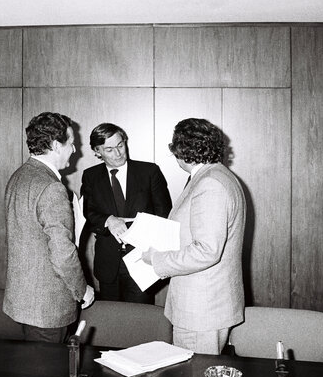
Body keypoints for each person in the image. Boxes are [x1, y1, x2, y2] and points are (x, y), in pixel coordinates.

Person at [142, 118, 245, 355]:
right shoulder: (217, 175)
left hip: (202, 309)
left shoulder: (211, 184)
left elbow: (207, 251)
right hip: (206, 304)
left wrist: (156, 260)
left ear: (182, 151)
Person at [4, 112, 95, 343]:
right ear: (55, 145)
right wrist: (82, 290)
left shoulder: (19, 176)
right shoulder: (52, 187)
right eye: (71, 144)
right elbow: (63, 253)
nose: (74, 150)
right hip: (47, 307)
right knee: (48, 376)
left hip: (23, 302)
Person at [80, 123, 172, 303]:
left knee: (139, 323)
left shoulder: (149, 172)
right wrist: (108, 220)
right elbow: (88, 212)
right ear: (97, 151)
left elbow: (165, 217)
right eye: (109, 149)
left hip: (142, 262)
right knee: (112, 323)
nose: (118, 153)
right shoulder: (90, 176)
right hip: (108, 264)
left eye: (120, 145)